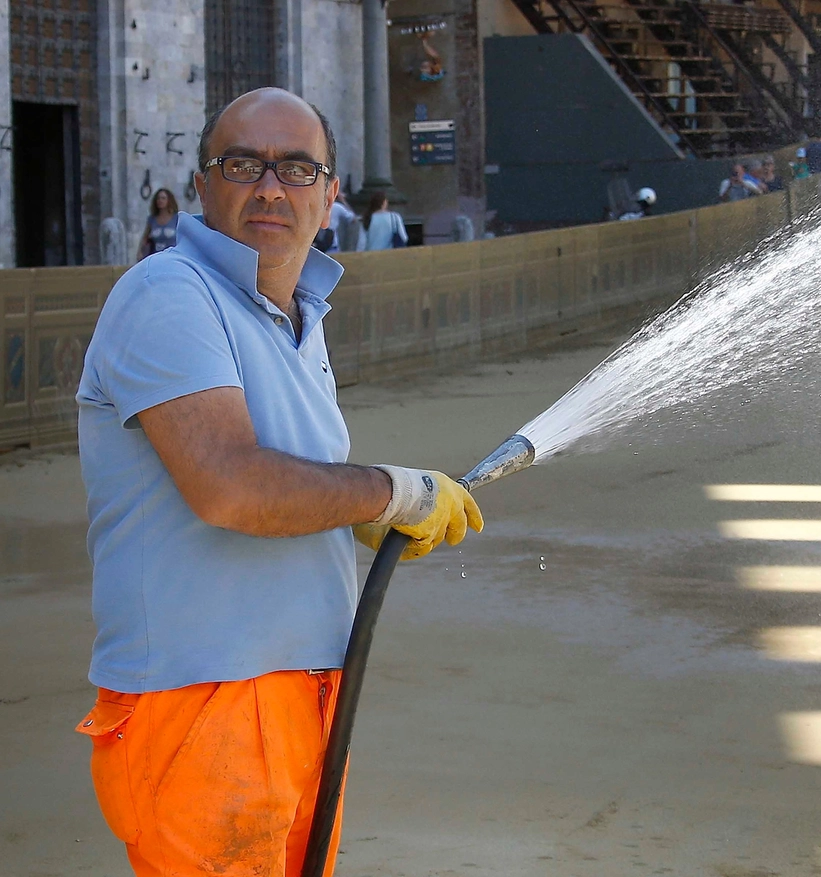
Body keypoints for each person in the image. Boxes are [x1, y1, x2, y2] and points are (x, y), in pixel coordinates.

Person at [73, 87, 482, 876]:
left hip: (301, 697)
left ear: (330, 194)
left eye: (297, 168)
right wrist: (393, 493)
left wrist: (345, 512)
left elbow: (283, 478)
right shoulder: (168, 293)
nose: (269, 187)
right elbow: (229, 484)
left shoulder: (296, 312)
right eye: (243, 164)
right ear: (202, 184)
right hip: (203, 705)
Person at [138, 188, 179, 260]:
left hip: (172, 257)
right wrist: (140, 252)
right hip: (156, 256)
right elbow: (145, 237)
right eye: (158, 198)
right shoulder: (152, 219)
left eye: (163, 198)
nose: (160, 201)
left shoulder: (176, 218)